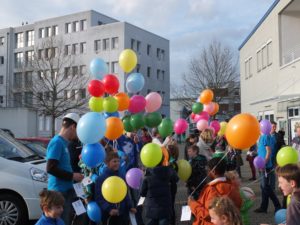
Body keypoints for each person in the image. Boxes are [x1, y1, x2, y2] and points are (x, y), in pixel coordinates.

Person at [46, 113, 84, 225]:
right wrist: (72, 176)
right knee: (63, 222)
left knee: (75, 218)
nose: (78, 135)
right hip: (58, 192)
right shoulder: (57, 142)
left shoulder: (64, 143)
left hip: (67, 190)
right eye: (78, 130)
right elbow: (50, 168)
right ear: (73, 127)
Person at [188, 157, 242, 225]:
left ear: (213, 171)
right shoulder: (233, 187)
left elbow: (209, 214)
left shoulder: (211, 189)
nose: (206, 173)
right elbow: (238, 206)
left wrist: (192, 204)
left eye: (208, 170)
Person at [95, 152, 136, 225]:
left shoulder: (121, 176)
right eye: (114, 161)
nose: (117, 163)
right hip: (109, 215)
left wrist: (130, 206)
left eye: (118, 161)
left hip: (122, 214)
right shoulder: (101, 179)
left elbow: (125, 194)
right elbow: (99, 197)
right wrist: (109, 209)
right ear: (107, 163)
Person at [140, 156, 176, 225]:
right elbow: (176, 179)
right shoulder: (168, 171)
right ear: (162, 160)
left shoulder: (147, 175)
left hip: (152, 209)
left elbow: (142, 193)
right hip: (165, 208)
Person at [254, 132, 281, 213]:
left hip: (264, 166)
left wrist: (264, 163)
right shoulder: (265, 136)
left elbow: (268, 151)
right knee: (263, 187)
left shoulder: (265, 136)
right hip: (262, 165)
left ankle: (277, 205)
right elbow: (263, 151)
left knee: (265, 187)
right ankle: (263, 207)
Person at [166, 144, 180, 225]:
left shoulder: (172, 163)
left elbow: (174, 177)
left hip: (170, 187)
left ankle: (172, 221)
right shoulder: (171, 162)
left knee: (170, 206)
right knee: (170, 205)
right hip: (172, 187)